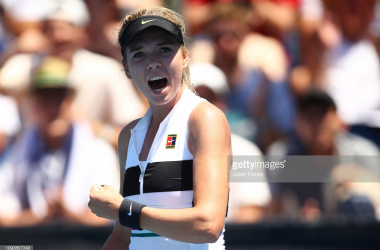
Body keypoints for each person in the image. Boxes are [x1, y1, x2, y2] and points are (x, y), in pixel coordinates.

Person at [88, 6, 231, 249]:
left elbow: (208, 225)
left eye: (164, 50)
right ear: (127, 69)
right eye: (139, 54)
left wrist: (124, 209)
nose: (153, 62)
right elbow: (123, 237)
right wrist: (125, 213)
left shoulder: (204, 118)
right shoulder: (128, 136)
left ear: (185, 57)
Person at [4, 57, 119, 227]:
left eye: (59, 98)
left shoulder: (99, 151)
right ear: (34, 105)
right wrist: (40, 218)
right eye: (45, 99)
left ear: (71, 103)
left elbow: (111, 217)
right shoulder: (17, 152)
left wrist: (68, 214)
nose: (53, 108)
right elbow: (4, 214)